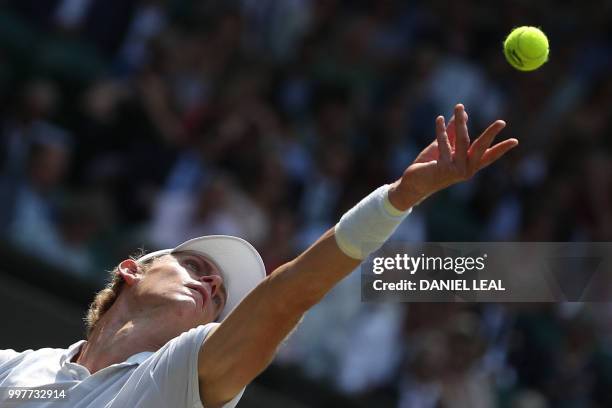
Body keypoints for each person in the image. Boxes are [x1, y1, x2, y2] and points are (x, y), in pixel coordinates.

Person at [0, 104, 517, 407]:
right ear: (131, 269)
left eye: (220, 297)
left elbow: (283, 298)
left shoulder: (175, 377)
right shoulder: (15, 369)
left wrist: (397, 199)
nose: (212, 288)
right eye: (197, 267)